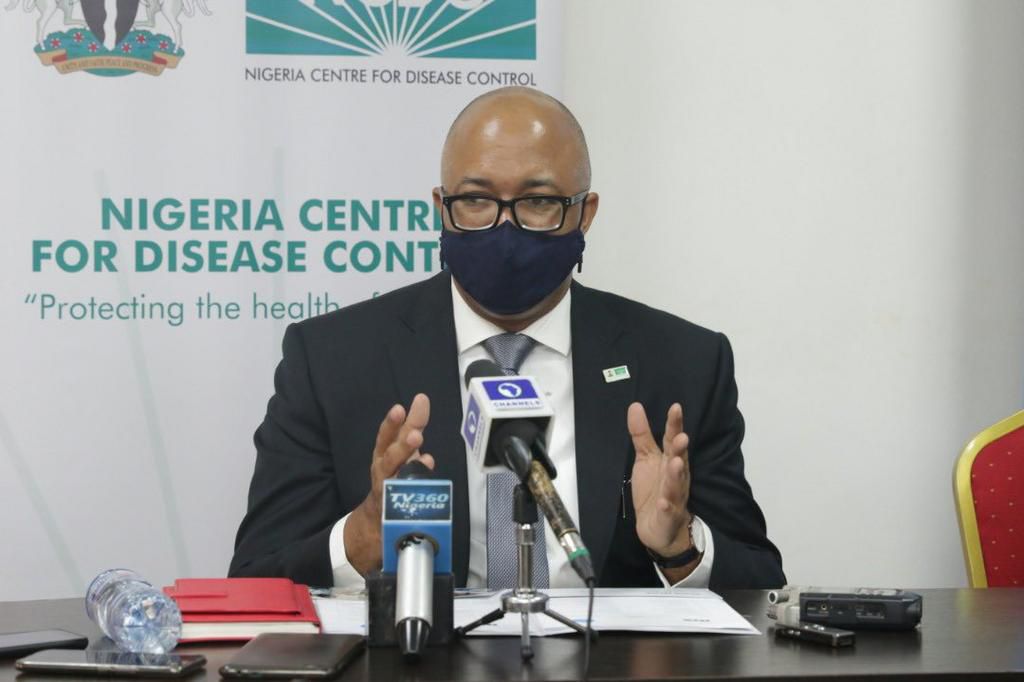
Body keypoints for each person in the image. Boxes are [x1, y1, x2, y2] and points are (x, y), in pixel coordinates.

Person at [229, 87, 785, 591]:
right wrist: (361, 538)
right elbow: (256, 575)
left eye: (538, 201)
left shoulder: (683, 362)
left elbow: (760, 580)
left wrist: (680, 546)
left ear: (584, 214)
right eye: (476, 199)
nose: (504, 226)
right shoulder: (331, 360)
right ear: (441, 208)